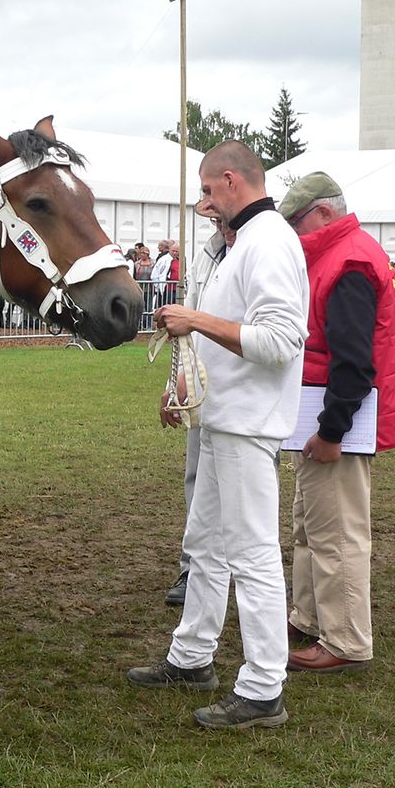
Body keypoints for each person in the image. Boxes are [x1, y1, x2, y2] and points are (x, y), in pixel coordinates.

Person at [128, 140, 308, 731]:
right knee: (203, 542)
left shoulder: (271, 241)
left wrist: (195, 318)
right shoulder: (238, 244)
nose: (204, 202)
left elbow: (281, 341)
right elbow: (222, 339)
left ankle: (262, 687)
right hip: (219, 417)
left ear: (231, 181)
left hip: (248, 422)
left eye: (208, 191)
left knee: (252, 552)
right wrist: (182, 387)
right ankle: (192, 656)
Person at [277, 172, 395, 675]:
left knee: (337, 532)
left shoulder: (346, 263)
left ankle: (345, 640)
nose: (294, 233)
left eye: (297, 221)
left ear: (323, 213)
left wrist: (330, 431)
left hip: (335, 422)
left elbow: (354, 363)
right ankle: (307, 616)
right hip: (327, 417)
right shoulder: (348, 255)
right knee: (312, 525)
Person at [161, 199, 238, 607]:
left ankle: (240, 572)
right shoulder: (207, 256)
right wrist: (176, 383)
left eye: (222, 217)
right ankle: (193, 567)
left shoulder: (260, 251)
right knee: (197, 479)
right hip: (203, 386)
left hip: (244, 393)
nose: (219, 225)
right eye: (214, 219)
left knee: (243, 489)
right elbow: (188, 328)